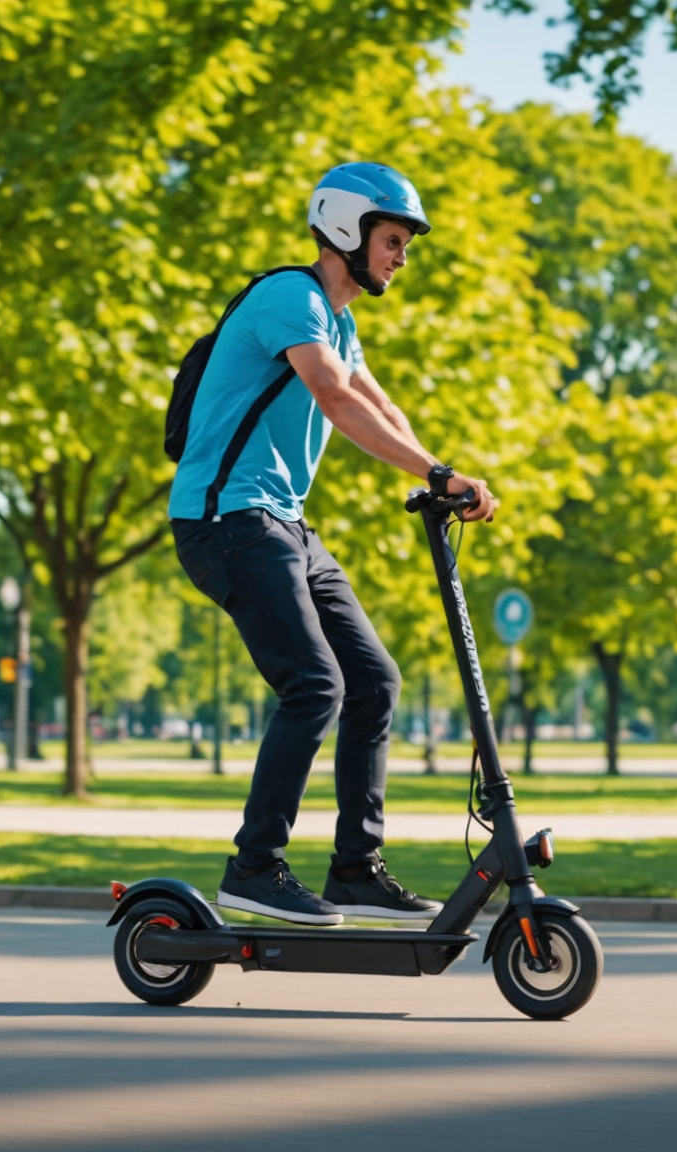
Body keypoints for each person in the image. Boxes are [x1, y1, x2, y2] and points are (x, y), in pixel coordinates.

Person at [169, 162, 497, 925]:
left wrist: (438, 475)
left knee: (375, 680)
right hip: (228, 522)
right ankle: (255, 866)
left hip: (282, 524)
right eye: (392, 239)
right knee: (316, 684)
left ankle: (355, 868)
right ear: (347, 228)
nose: (401, 256)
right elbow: (337, 399)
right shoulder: (289, 298)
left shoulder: (339, 321)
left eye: (405, 243)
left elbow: (380, 403)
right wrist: (438, 473)